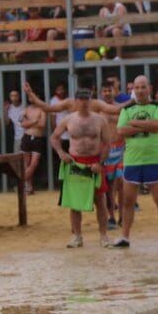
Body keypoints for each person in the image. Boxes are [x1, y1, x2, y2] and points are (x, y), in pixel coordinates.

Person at [113, 75, 158, 249]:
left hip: (153, 159)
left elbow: (157, 126)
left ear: (149, 88)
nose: (140, 90)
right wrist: (144, 124)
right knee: (128, 201)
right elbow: (120, 131)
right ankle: (125, 237)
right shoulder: (127, 108)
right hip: (132, 160)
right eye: (137, 88)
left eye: (143, 87)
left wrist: (134, 123)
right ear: (133, 90)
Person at [48, 83, 113, 249]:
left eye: (87, 99)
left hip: (95, 162)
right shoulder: (68, 120)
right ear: (75, 102)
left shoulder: (100, 120)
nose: (84, 102)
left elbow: (107, 143)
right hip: (76, 163)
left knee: (100, 200)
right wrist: (62, 153)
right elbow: (54, 138)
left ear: (90, 101)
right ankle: (77, 236)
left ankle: (104, 235)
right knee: (75, 203)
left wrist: (101, 162)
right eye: (81, 99)